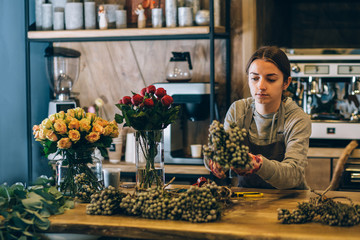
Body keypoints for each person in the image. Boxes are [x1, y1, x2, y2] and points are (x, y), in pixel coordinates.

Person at [210, 46, 311, 189]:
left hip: (289, 200)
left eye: (270, 79)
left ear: (286, 83)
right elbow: (220, 152)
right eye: (255, 78)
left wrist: (259, 164)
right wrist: (216, 162)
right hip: (247, 200)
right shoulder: (238, 110)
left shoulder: (297, 118)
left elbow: (294, 175)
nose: (261, 86)